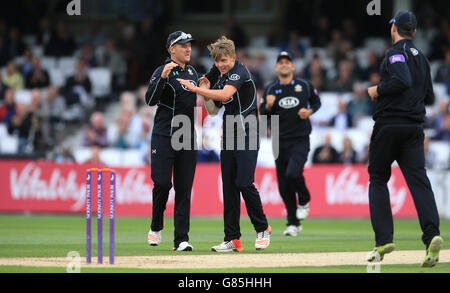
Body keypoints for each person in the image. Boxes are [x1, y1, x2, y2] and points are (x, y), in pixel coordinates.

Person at [177, 36, 271, 252]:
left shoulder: (240, 71)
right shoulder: (218, 75)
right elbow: (212, 111)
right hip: (228, 133)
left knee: (244, 182)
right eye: (218, 61)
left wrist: (197, 90)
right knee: (229, 188)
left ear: (234, 58)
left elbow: (226, 93)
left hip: (248, 131)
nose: (221, 65)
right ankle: (232, 239)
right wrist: (206, 91)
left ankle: (263, 228)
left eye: (225, 60)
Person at [366, 11, 443, 267]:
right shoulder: (422, 58)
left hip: (389, 126)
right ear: (416, 31)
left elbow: (401, 79)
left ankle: (384, 240)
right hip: (413, 129)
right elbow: (430, 97)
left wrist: (378, 90)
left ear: (394, 29)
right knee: (419, 182)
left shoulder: (394, 53)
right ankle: (432, 235)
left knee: (377, 179)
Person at [145, 31, 199, 252]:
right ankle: (156, 225)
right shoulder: (162, 71)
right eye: (183, 45)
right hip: (164, 134)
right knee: (163, 183)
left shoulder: (194, 71)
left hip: (186, 135)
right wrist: (163, 78)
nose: (188, 48)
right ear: (171, 49)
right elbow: (150, 100)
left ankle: (181, 240)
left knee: (184, 189)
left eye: (189, 45)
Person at [259, 51, 321, 237]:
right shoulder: (271, 89)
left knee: (293, 172)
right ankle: (293, 223)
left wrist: (309, 112)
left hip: (300, 138)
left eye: (287, 62)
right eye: (281, 62)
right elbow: (263, 114)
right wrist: (268, 106)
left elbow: (317, 103)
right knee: (283, 185)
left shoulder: (304, 85)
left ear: (293, 66)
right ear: (277, 67)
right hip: (278, 139)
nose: (284, 65)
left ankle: (304, 198)